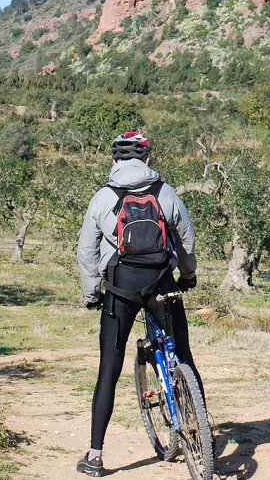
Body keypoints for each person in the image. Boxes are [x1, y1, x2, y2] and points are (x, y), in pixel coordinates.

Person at [76, 131, 202, 477]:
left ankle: (95, 456)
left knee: (109, 370)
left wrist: (92, 294)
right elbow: (187, 239)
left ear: (114, 160)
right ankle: (202, 434)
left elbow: (86, 251)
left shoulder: (102, 197)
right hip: (160, 281)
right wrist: (187, 276)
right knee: (184, 356)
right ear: (147, 159)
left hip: (121, 288)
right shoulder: (165, 192)